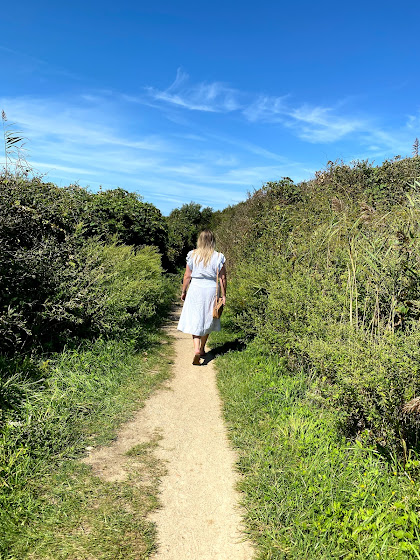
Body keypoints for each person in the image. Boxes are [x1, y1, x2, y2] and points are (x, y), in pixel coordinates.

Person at [177, 230, 227, 365]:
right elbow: (222, 278)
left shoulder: (192, 255)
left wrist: (183, 291)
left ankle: (197, 348)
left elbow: (187, 275)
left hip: (195, 289)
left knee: (196, 318)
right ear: (212, 241)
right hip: (211, 289)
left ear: (199, 240)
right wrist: (223, 295)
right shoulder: (218, 256)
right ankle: (203, 348)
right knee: (208, 318)